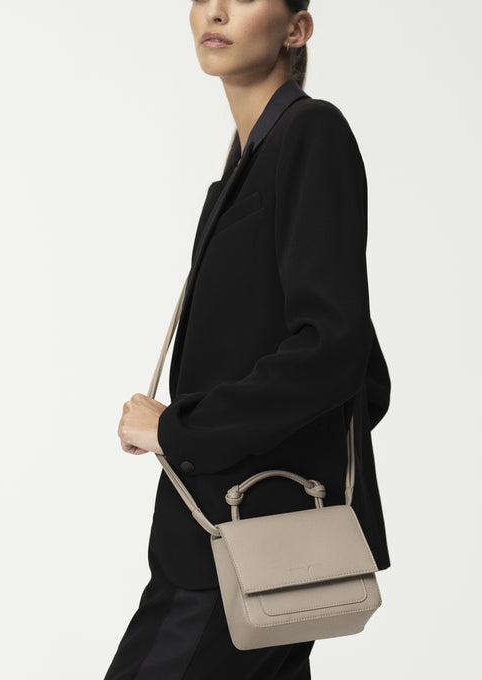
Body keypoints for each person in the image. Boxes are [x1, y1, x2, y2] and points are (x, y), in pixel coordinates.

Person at [104, 1, 392, 678]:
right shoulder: (243, 168)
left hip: (242, 546)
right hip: (242, 544)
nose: (216, 10)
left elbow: (336, 350)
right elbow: (361, 372)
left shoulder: (311, 133)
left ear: (297, 29)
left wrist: (180, 429)